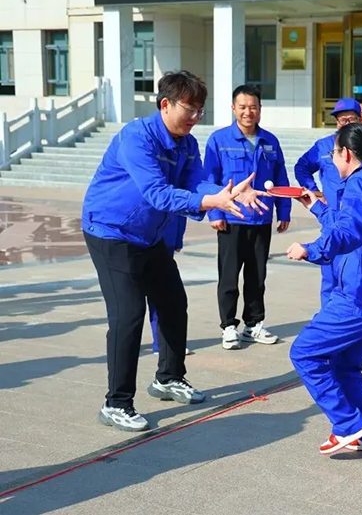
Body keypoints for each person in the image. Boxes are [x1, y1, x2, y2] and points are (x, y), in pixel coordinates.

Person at [82, 70, 269, 432]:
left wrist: (227, 192)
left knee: (172, 303)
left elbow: (196, 181)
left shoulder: (186, 143)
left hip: (150, 235)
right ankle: (116, 402)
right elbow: (157, 193)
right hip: (111, 231)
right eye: (190, 109)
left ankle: (168, 378)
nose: (195, 117)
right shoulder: (137, 137)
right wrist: (209, 202)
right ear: (165, 104)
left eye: (201, 110)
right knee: (129, 314)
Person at [287, 123, 362, 455]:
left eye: (334, 152)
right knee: (344, 365)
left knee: (305, 353)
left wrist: (310, 249)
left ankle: (347, 425)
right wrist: (315, 206)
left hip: (361, 296)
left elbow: (350, 233)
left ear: (346, 153)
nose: (332, 159)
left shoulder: (359, 183)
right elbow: (353, 225)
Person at [204, 85, 291, 350]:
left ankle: (253, 324)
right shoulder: (219, 140)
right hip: (231, 219)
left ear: (260, 109)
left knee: (257, 277)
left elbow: (281, 177)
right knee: (229, 277)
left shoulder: (270, 141)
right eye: (242, 107)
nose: (248, 112)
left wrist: (284, 211)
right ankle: (228, 327)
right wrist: (215, 213)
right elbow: (210, 178)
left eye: (253, 107)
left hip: (261, 219)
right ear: (233, 108)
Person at [294, 98, 361, 308]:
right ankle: (329, 313)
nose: (346, 123)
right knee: (330, 274)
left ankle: (358, 314)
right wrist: (314, 190)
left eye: (351, 119)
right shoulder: (324, 146)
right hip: (331, 218)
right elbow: (302, 167)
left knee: (359, 274)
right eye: (342, 120)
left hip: (359, 219)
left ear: (360, 120)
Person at [149, 215, 189, 355]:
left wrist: (178, 237)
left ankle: (160, 344)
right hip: (137, 240)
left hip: (166, 239)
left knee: (161, 295)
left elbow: (181, 210)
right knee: (131, 300)